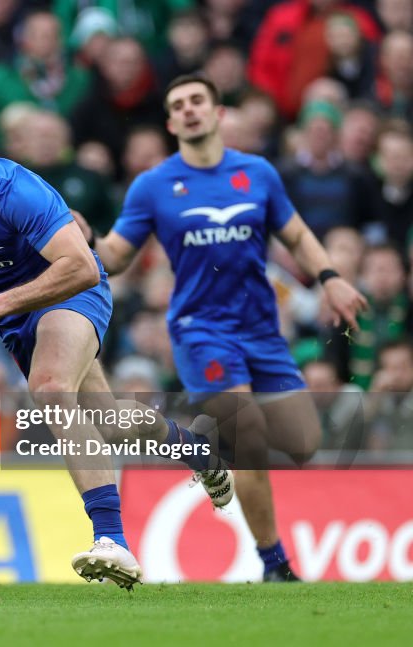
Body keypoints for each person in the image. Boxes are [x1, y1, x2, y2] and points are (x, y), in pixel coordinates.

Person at [0, 101, 235, 590]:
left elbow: (80, 265)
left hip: (71, 290)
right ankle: (197, 448)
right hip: (10, 310)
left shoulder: (9, 190)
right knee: (109, 421)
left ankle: (111, 540)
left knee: (50, 389)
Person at [89, 73, 368, 582]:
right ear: (171, 121)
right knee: (250, 442)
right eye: (179, 104)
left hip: (262, 331)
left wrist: (331, 278)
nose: (189, 109)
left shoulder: (257, 173)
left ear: (217, 114)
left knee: (304, 442)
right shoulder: (153, 186)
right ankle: (275, 564)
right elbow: (116, 256)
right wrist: (80, 236)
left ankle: (199, 442)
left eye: (198, 100)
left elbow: (298, 233)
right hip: (201, 330)